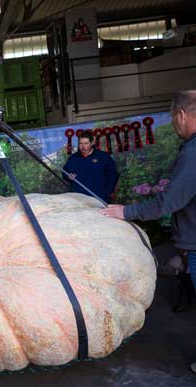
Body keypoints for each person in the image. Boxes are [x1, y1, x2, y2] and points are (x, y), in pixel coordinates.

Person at [101, 90, 196, 374]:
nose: (173, 124)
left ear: (181, 115)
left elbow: (170, 201)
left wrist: (127, 212)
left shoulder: (192, 153)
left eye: (172, 118)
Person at [63, 131, 119, 203]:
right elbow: (65, 172)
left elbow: (113, 174)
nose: (83, 146)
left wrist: (108, 191)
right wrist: (68, 176)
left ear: (92, 143)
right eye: (81, 143)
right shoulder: (73, 158)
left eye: (86, 143)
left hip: (100, 199)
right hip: (79, 200)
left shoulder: (103, 156)